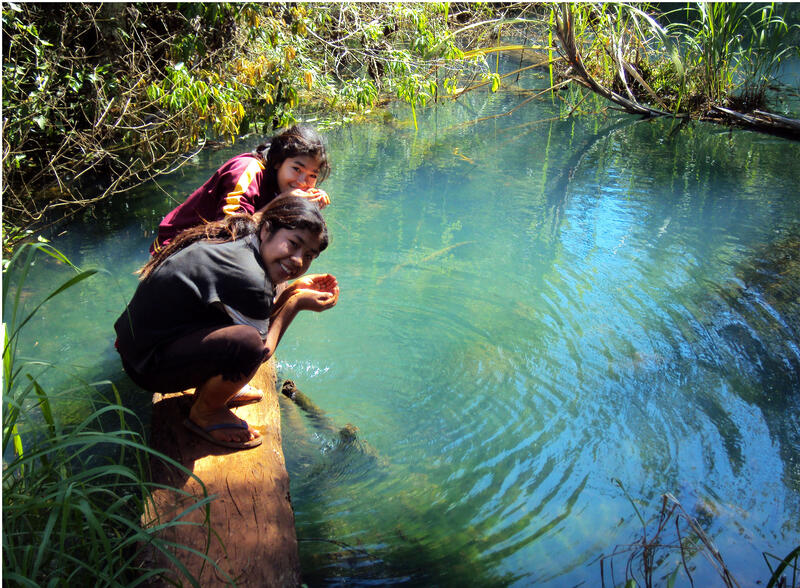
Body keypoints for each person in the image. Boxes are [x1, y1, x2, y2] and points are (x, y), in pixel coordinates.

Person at [116, 197, 339, 450]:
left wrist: (290, 291)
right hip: (148, 366)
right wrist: (295, 304)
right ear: (267, 229)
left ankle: (212, 390)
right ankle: (206, 412)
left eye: (308, 255)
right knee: (249, 345)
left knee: (248, 333)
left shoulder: (244, 240)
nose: (299, 261)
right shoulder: (248, 275)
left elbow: (257, 312)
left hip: (140, 346)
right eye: (293, 244)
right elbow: (261, 350)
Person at [151, 124, 332, 254]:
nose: (302, 182)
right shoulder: (247, 170)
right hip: (176, 249)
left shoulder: (282, 185)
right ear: (277, 162)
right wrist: (281, 203)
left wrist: (305, 207)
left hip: (216, 249)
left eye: (312, 175)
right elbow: (229, 233)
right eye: (296, 169)